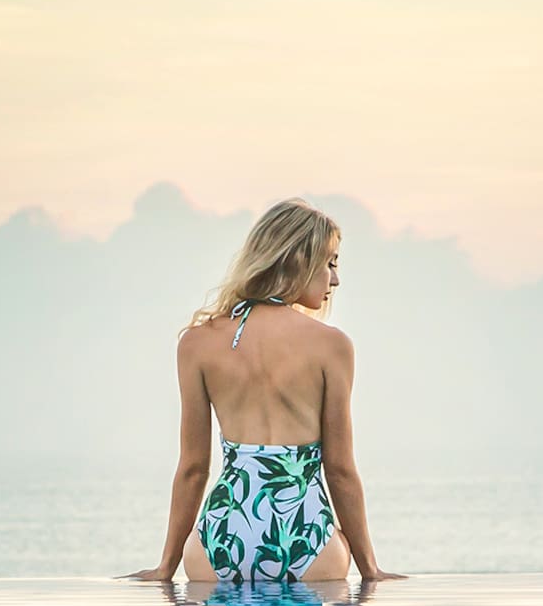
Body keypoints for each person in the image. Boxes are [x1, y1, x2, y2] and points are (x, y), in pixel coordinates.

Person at [123, 197, 405, 583]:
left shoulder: (197, 343)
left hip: (221, 538)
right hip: (304, 539)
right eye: (330, 263)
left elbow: (193, 468)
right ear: (297, 260)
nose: (335, 280)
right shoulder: (331, 345)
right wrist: (370, 570)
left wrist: (165, 569)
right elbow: (339, 470)